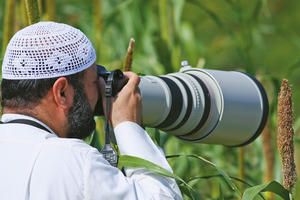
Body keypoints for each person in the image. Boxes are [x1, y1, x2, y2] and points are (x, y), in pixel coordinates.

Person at [0, 21, 183, 200]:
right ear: (61, 92)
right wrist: (128, 125)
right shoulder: (75, 161)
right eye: (95, 80)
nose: (99, 92)